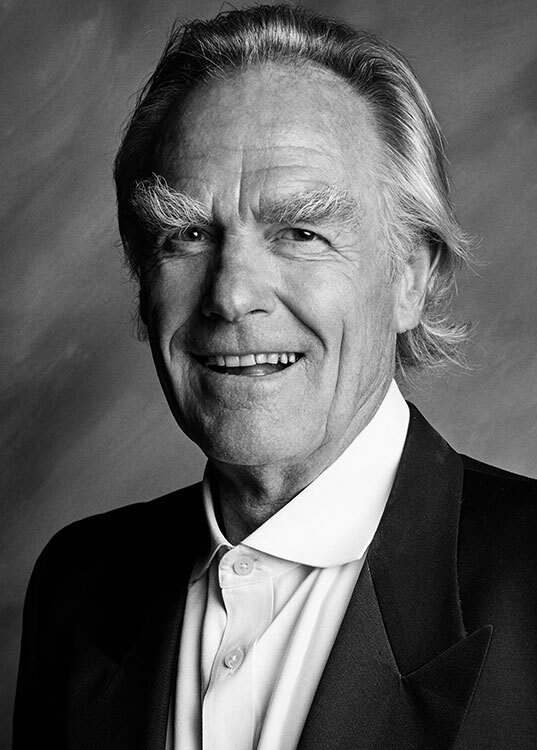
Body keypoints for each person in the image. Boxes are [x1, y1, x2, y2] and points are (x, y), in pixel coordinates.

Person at [13, 5, 537, 749]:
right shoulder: (78, 586)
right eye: (188, 234)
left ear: (410, 279)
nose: (231, 294)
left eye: (300, 232)